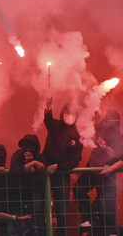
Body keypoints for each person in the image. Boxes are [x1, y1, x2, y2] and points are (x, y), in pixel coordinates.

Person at [73, 110, 123, 236]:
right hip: (92, 169)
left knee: (106, 206)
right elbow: (96, 112)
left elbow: (122, 161)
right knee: (78, 189)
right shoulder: (101, 129)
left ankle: (111, 232)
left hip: (107, 175)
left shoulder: (121, 140)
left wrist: (109, 169)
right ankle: (90, 219)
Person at [42, 98, 83, 236]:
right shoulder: (56, 125)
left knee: (62, 212)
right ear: (62, 112)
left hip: (61, 176)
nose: (70, 115)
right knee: (40, 206)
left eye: (74, 113)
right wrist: (48, 108)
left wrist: (58, 166)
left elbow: (75, 160)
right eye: (67, 111)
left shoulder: (78, 136)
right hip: (45, 173)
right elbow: (47, 121)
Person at [9, 134, 46, 235]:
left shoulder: (40, 157)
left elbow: (41, 180)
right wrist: (31, 164)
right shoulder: (17, 155)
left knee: (38, 217)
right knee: (17, 218)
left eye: (31, 146)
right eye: (25, 146)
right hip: (17, 193)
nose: (28, 149)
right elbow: (14, 171)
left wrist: (33, 170)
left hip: (34, 193)